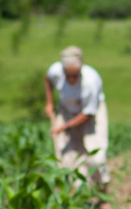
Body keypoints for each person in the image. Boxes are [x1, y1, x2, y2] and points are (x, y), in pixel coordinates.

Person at [43, 46, 109, 189]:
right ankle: (78, 192)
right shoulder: (56, 71)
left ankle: (102, 192)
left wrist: (64, 127)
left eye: (75, 75)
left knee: (96, 154)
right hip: (67, 111)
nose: (71, 79)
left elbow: (88, 113)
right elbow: (47, 79)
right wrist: (49, 103)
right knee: (68, 154)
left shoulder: (90, 81)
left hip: (91, 114)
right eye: (68, 75)